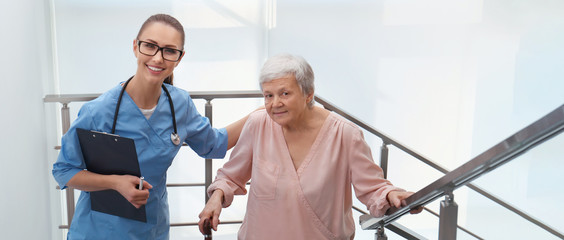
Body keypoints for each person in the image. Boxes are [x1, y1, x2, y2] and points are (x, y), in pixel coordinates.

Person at [52, 13, 249, 239]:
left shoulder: (180, 104)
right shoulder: (99, 111)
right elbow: (64, 171)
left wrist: (261, 112)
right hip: (100, 230)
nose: (157, 58)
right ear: (135, 47)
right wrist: (115, 183)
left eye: (169, 50)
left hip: (151, 229)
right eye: (150, 46)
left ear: (179, 57)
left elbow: (214, 144)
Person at [198, 54, 422, 239]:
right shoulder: (258, 124)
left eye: (285, 93)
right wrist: (216, 198)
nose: (275, 104)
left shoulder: (345, 134)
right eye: (268, 95)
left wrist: (392, 194)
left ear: (308, 94)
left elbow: (373, 188)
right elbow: (230, 177)